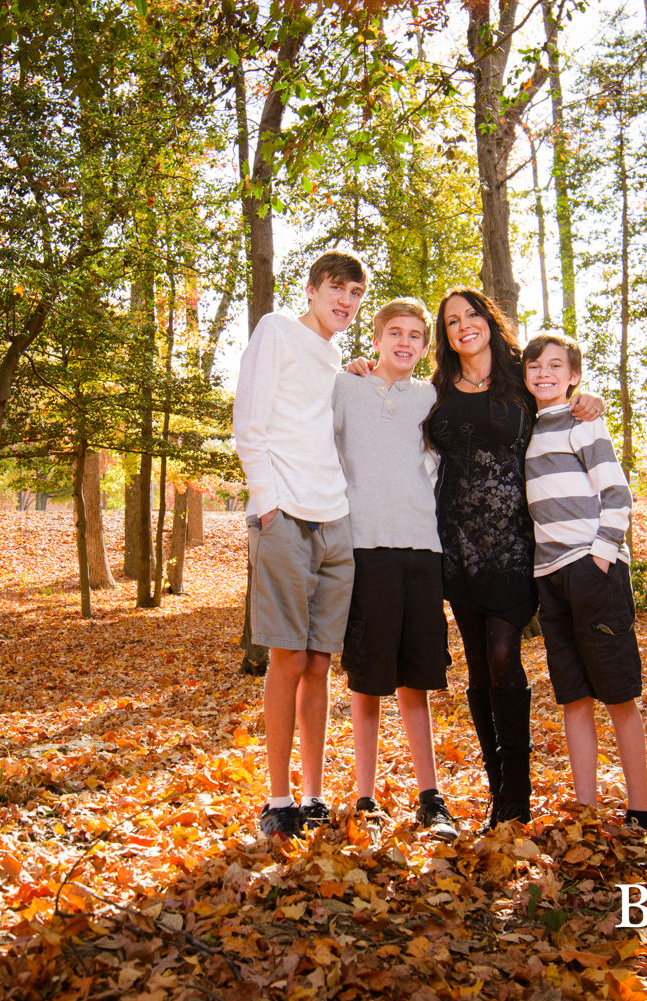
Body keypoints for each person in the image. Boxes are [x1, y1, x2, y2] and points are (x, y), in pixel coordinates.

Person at [422, 288, 602, 829]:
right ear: (445, 334)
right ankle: (497, 790)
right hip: (455, 542)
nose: (462, 326)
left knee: (504, 655)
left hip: (514, 542)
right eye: (451, 321)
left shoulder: (518, 375)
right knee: (478, 667)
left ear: (488, 320)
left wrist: (588, 399)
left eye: (471, 315)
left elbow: (558, 390)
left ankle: (517, 795)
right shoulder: (435, 389)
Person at [232, 250, 367, 839]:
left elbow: (320, 415)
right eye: (336, 288)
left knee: (320, 661)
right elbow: (250, 422)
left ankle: (313, 795)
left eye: (355, 293)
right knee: (287, 656)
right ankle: (279, 798)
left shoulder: (333, 355)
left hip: (336, 520)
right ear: (311, 290)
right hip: (284, 515)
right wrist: (266, 506)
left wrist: (353, 374)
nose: (345, 300)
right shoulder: (276, 331)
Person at [332, 298, 458, 843]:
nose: (404, 342)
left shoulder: (431, 398)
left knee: (416, 681)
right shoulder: (346, 388)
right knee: (368, 680)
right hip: (365, 549)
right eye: (395, 333)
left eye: (415, 336)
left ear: (427, 347)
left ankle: (431, 798)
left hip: (421, 550)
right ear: (377, 338)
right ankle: (366, 796)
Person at [521, 333, 647, 830]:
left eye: (556, 365)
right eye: (535, 365)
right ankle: (587, 808)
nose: (544, 372)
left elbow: (618, 494)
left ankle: (639, 808)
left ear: (574, 376)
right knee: (572, 696)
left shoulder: (584, 422)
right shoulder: (530, 430)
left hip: (592, 569)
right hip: (550, 577)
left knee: (618, 693)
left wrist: (600, 557)